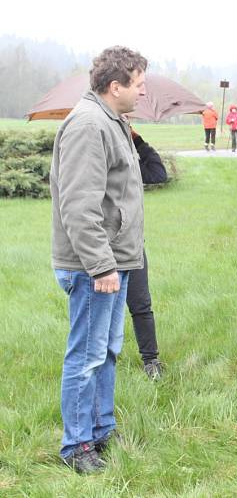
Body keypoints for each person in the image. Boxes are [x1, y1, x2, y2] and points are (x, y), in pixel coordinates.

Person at [50, 46, 147, 473]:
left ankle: (101, 429)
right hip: (95, 266)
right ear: (115, 86)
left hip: (115, 260)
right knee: (86, 356)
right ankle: (76, 446)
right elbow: (78, 205)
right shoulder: (89, 125)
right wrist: (102, 265)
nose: (142, 92)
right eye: (138, 85)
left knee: (106, 351)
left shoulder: (113, 121)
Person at [128, 129, 168, 380]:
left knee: (141, 305)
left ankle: (150, 361)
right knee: (104, 310)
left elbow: (158, 174)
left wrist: (139, 142)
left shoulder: (130, 158)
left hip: (131, 244)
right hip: (102, 245)